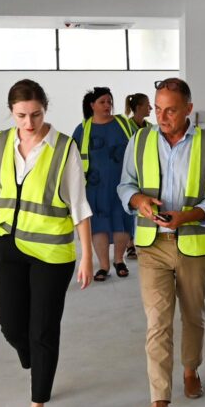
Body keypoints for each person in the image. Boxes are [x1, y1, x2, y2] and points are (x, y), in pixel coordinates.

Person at [0, 79, 93, 407]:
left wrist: (87, 256)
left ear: (46, 109)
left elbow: (79, 206)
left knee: (42, 330)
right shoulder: (0, 142)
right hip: (7, 246)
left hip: (51, 253)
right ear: (11, 112)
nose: (29, 123)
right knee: (11, 326)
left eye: (36, 114)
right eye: (21, 116)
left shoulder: (64, 148)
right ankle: (36, 363)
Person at [118, 77, 205, 407]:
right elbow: (125, 185)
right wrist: (139, 200)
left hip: (193, 244)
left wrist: (188, 216)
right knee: (158, 322)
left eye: (171, 110)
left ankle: (191, 368)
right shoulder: (139, 140)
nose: (162, 117)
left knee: (193, 315)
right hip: (152, 245)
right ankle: (160, 402)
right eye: (158, 109)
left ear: (188, 110)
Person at [73, 87, 134, 281]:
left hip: (123, 184)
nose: (107, 105)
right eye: (102, 102)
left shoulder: (124, 124)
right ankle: (103, 266)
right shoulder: (83, 129)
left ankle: (119, 260)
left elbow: (140, 146)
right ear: (92, 105)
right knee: (98, 225)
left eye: (109, 102)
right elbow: (72, 158)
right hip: (94, 186)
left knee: (122, 221)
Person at [123, 92, 152, 260]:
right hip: (131, 172)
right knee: (130, 207)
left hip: (146, 173)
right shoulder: (126, 127)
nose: (150, 108)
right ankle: (130, 244)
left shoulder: (150, 128)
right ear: (139, 107)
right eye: (148, 105)